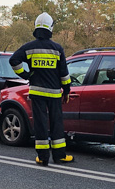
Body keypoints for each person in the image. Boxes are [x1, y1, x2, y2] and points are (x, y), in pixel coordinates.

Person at [9, 12, 72, 166]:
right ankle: (60, 156)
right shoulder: (57, 49)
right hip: (55, 93)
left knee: (40, 123)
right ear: (50, 28)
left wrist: (25, 74)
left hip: (37, 92)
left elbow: (13, 60)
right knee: (57, 123)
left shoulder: (29, 47)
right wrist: (67, 90)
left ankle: (43, 157)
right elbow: (64, 73)